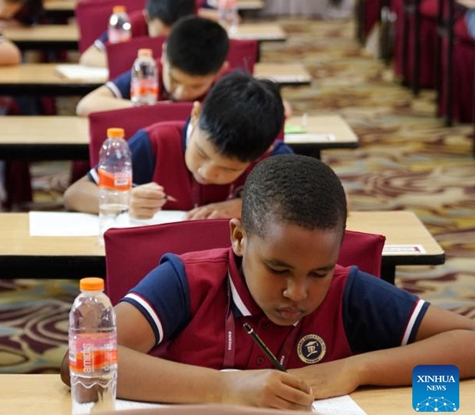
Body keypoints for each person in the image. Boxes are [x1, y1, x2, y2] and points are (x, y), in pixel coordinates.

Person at [61, 154, 475, 409]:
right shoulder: (188, 281)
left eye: (319, 272)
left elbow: (469, 343)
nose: (298, 293)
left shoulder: (349, 291)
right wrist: (225, 388)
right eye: (278, 270)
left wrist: (356, 369)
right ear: (239, 238)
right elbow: (79, 362)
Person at [65, 72, 290, 220]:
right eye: (202, 153)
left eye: (229, 169)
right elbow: (74, 194)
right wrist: (125, 199)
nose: (207, 172)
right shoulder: (155, 143)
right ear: (195, 114)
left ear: (264, 151)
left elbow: (304, 209)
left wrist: (245, 206)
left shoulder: (273, 159)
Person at [76, 15, 228, 115]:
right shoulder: (149, 73)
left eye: (196, 86)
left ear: (220, 71)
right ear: (163, 55)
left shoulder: (228, 89)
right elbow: (86, 105)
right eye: (174, 80)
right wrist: (151, 110)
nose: (182, 93)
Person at [79, 0, 196, 68]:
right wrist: (140, 65)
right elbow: (88, 57)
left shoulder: (195, 29)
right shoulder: (128, 24)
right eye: (160, 38)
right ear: (147, 17)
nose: (165, 44)